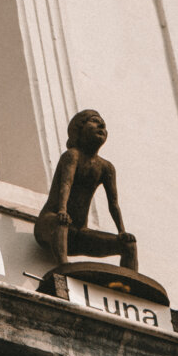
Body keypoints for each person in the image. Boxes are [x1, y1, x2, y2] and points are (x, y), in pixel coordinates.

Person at [34, 109, 137, 270]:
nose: (102, 125)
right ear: (79, 129)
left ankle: (130, 287)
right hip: (50, 226)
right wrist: (61, 210)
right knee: (61, 223)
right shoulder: (72, 155)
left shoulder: (106, 167)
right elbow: (65, 184)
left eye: (103, 123)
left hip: (78, 234)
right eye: (94, 121)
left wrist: (121, 231)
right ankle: (64, 269)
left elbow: (114, 203)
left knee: (128, 245)